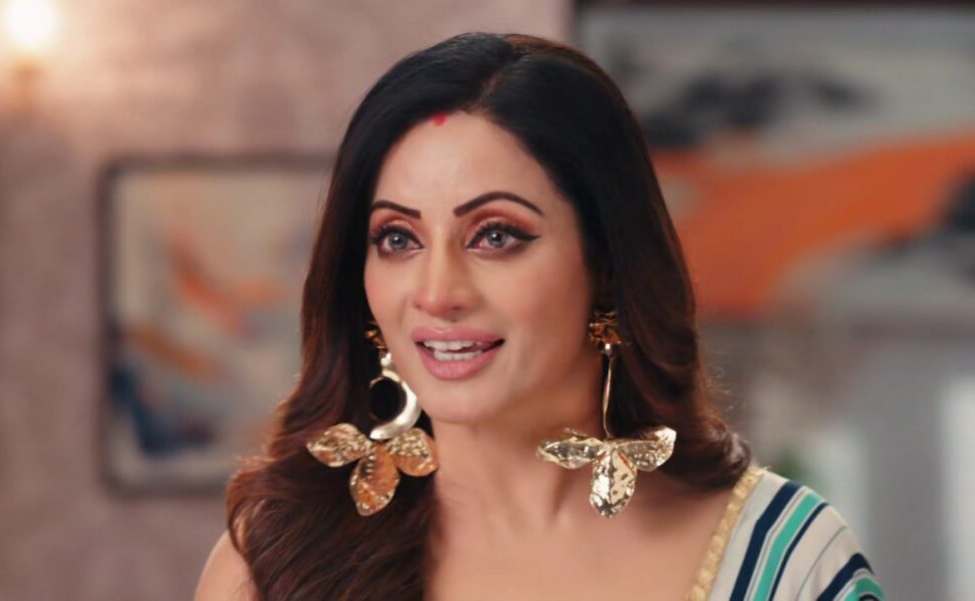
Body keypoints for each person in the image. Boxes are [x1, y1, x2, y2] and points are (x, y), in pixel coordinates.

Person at [195, 32, 884, 600]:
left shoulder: (783, 562)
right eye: (398, 239)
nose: (436, 292)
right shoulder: (275, 562)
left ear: (607, 262)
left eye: (495, 235)